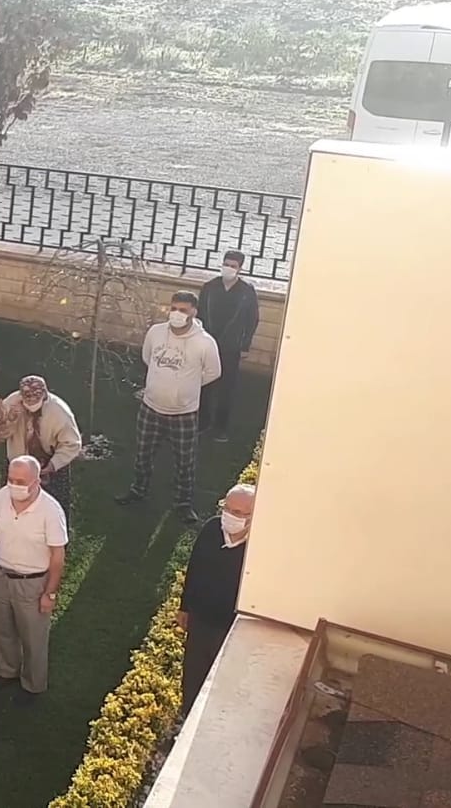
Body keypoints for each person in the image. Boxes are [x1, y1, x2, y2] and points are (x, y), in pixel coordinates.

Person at [116, 292, 222, 521]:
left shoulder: (205, 342)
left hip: (183, 413)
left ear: (194, 312)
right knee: (143, 453)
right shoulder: (155, 332)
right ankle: (138, 490)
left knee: (185, 461)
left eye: (183, 310)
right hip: (150, 407)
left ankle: (183, 503)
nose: (177, 314)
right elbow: (147, 357)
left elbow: (214, 372)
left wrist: (187, 387)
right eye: (174, 308)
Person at [0, 456, 67, 705]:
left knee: (33, 636)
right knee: (2, 628)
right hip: (0, 575)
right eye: (11, 479)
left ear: (36, 481)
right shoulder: (2, 496)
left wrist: (49, 593)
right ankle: (6, 671)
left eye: (21, 481)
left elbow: (58, 556)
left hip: (32, 582)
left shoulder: (51, 511)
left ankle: (33, 685)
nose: (14, 486)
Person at [178, 484, 256, 714]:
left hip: (231, 626)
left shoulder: (258, 545)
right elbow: (195, 567)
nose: (230, 516)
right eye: (227, 508)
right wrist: (185, 607)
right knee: (193, 674)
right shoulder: (212, 528)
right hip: (201, 619)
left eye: (239, 513)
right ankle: (187, 715)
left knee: (225, 680)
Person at [197, 251, 260, 443]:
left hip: (231, 346)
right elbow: (200, 315)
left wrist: (245, 345)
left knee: (227, 388)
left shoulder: (246, 291)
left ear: (240, 268)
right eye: (226, 264)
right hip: (208, 342)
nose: (228, 268)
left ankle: (220, 427)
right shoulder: (210, 287)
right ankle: (202, 422)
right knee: (205, 383)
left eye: (233, 266)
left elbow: (252, 319)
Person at [0, 375, 82, 520]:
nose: (31, 408)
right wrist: (11, 420)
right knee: (11, 507)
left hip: (51, 463)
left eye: (36, 404)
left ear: (44, 396)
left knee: (54, 511)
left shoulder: (60, 411)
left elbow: (72, 444)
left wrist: (52, 465)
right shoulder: (10, 404)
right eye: (28, 404)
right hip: (18, 464)